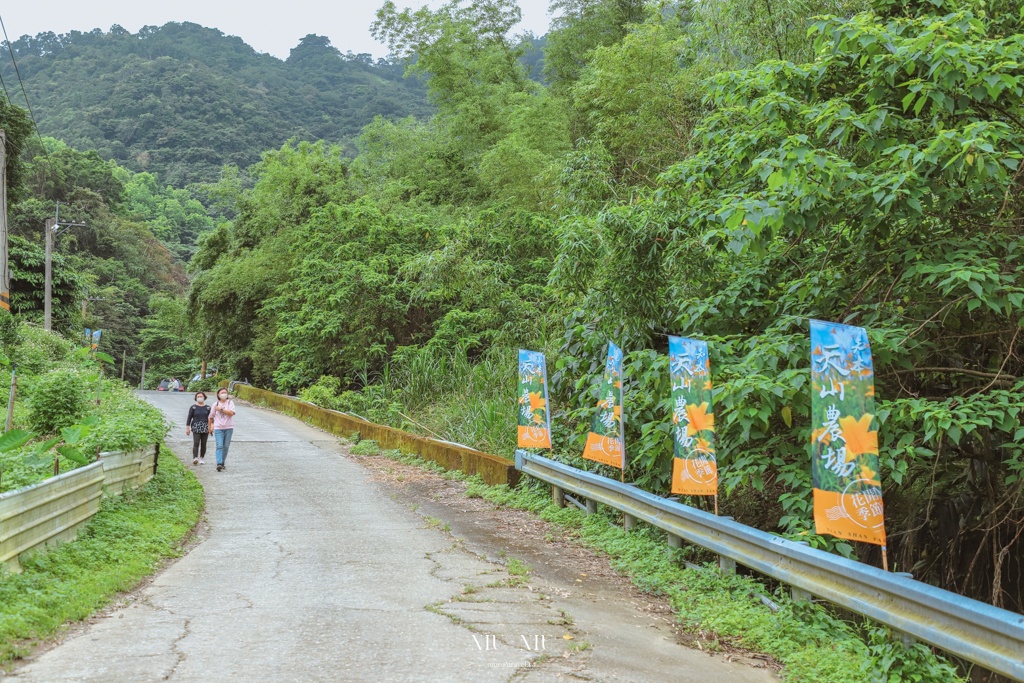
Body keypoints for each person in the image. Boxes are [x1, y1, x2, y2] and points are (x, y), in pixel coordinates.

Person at [212, 388, 237, 472]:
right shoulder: (215, 404)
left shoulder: (230, 403)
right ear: (218, 394)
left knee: (226, 446)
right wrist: (210, 426)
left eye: (225, 393)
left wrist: (221, 409)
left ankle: (222, 462)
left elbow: (231, 413)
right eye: (222, 393)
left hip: (229, 427)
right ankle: (219, 463)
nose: (224, 394)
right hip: (218, 428)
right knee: (219, 445)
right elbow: (211, 416)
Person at [185, 392, 212, 466]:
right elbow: (189, 418)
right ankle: (195, 457)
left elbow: (211, 418)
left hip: (205, 426)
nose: (200, 397)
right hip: (196, 426)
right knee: (196, 442)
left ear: (204, 397)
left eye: (201, 396)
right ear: (196, 398)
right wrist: (188, 427)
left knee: (204, 443)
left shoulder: (208, 408)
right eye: (198, 396)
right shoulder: (193, 407)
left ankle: (202, 458)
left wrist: (211, 426)